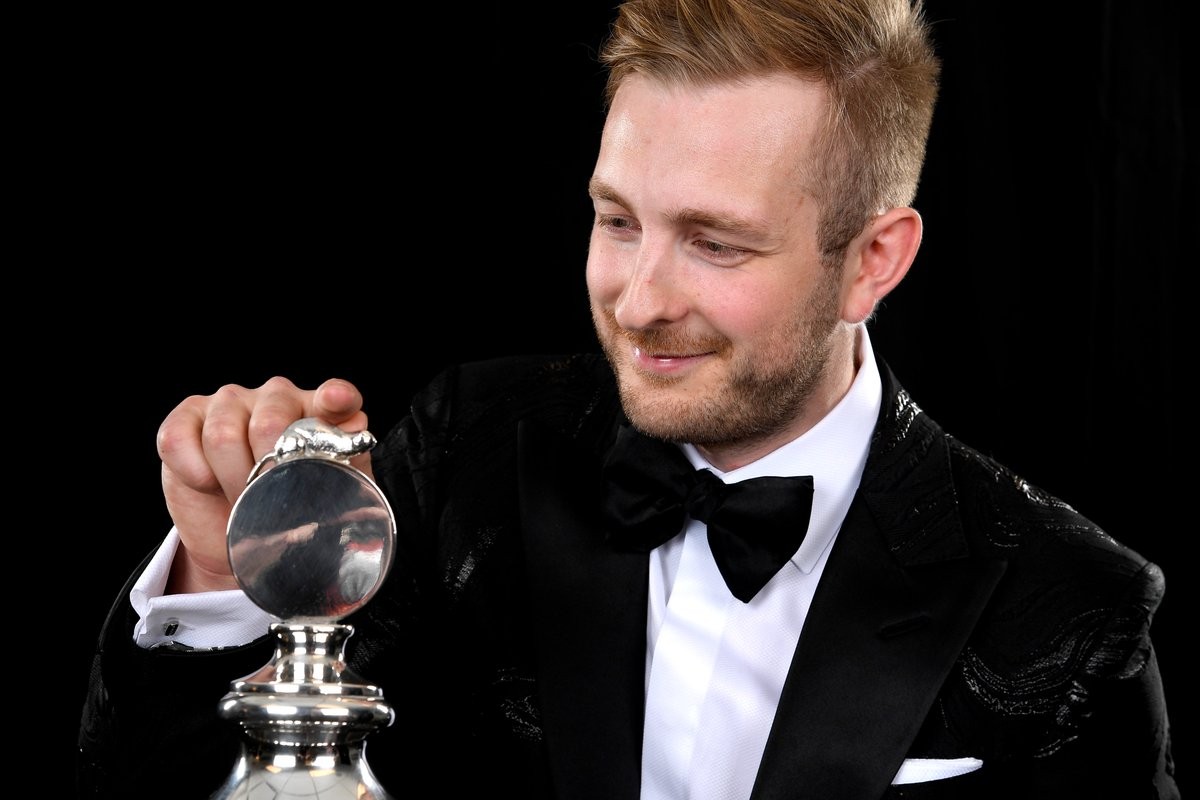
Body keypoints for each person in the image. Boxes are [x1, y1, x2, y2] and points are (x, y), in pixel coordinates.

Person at [76, 0, 1179, 797]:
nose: (639, 300)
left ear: (873, 261)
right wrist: (224, 582)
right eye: (617, 220)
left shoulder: (1073, 606)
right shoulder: (460, 456)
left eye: (715, 241)